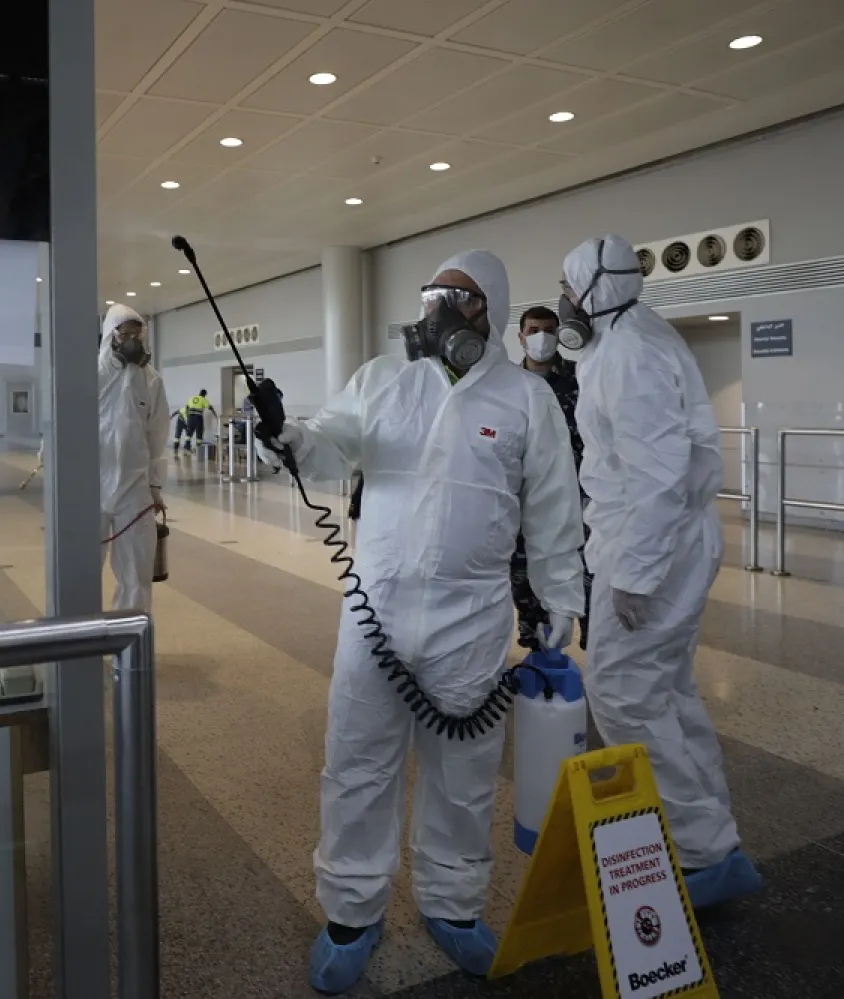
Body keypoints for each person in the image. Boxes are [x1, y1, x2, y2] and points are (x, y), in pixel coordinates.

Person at [258, 250, 585, 993]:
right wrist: (283, 433)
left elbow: (554, 509)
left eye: (458, 297)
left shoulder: (525, 401)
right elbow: (325, 445)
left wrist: (561, 597)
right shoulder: (384, 379)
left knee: (463, 775)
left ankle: (454, 904)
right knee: (357, 763)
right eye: (433, 294)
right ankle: (350, 910)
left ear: (491, 314)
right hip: (376, 605)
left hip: (471, 615)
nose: (438, 310)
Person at [559, 234, 761, 910]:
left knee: (621, 690)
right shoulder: (635, 333)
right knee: (668, 688)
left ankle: (702, 849)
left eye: (568, 288)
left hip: (654, 544)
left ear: (592, 291)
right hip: (668, 535)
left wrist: (636, 575)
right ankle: (712, 835)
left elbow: (658, 473)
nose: (563, 303)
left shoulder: (630, 352)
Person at [510, 305, 592, 650]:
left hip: (581, 501)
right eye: (533, 330)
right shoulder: (508, 386)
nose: (540, 337)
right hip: (526, 502)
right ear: (520, 336)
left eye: (548, 329)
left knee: (587, 576)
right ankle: (538, 654)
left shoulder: (581, 378)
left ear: (560, 334)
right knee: (526, 582)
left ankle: (597, 656)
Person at [98, 303, 169, 613]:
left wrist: (154, 486)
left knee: (137, 572)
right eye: (125, 334)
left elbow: (157, 435)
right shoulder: (91, 375)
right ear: (111, 335)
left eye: (136, 335)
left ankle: (130, 647)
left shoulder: (151, 380)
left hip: (135, 487)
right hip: (91, 485)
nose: (132, 341)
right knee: (83, 571)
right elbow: (64, 420)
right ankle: (83, 645)